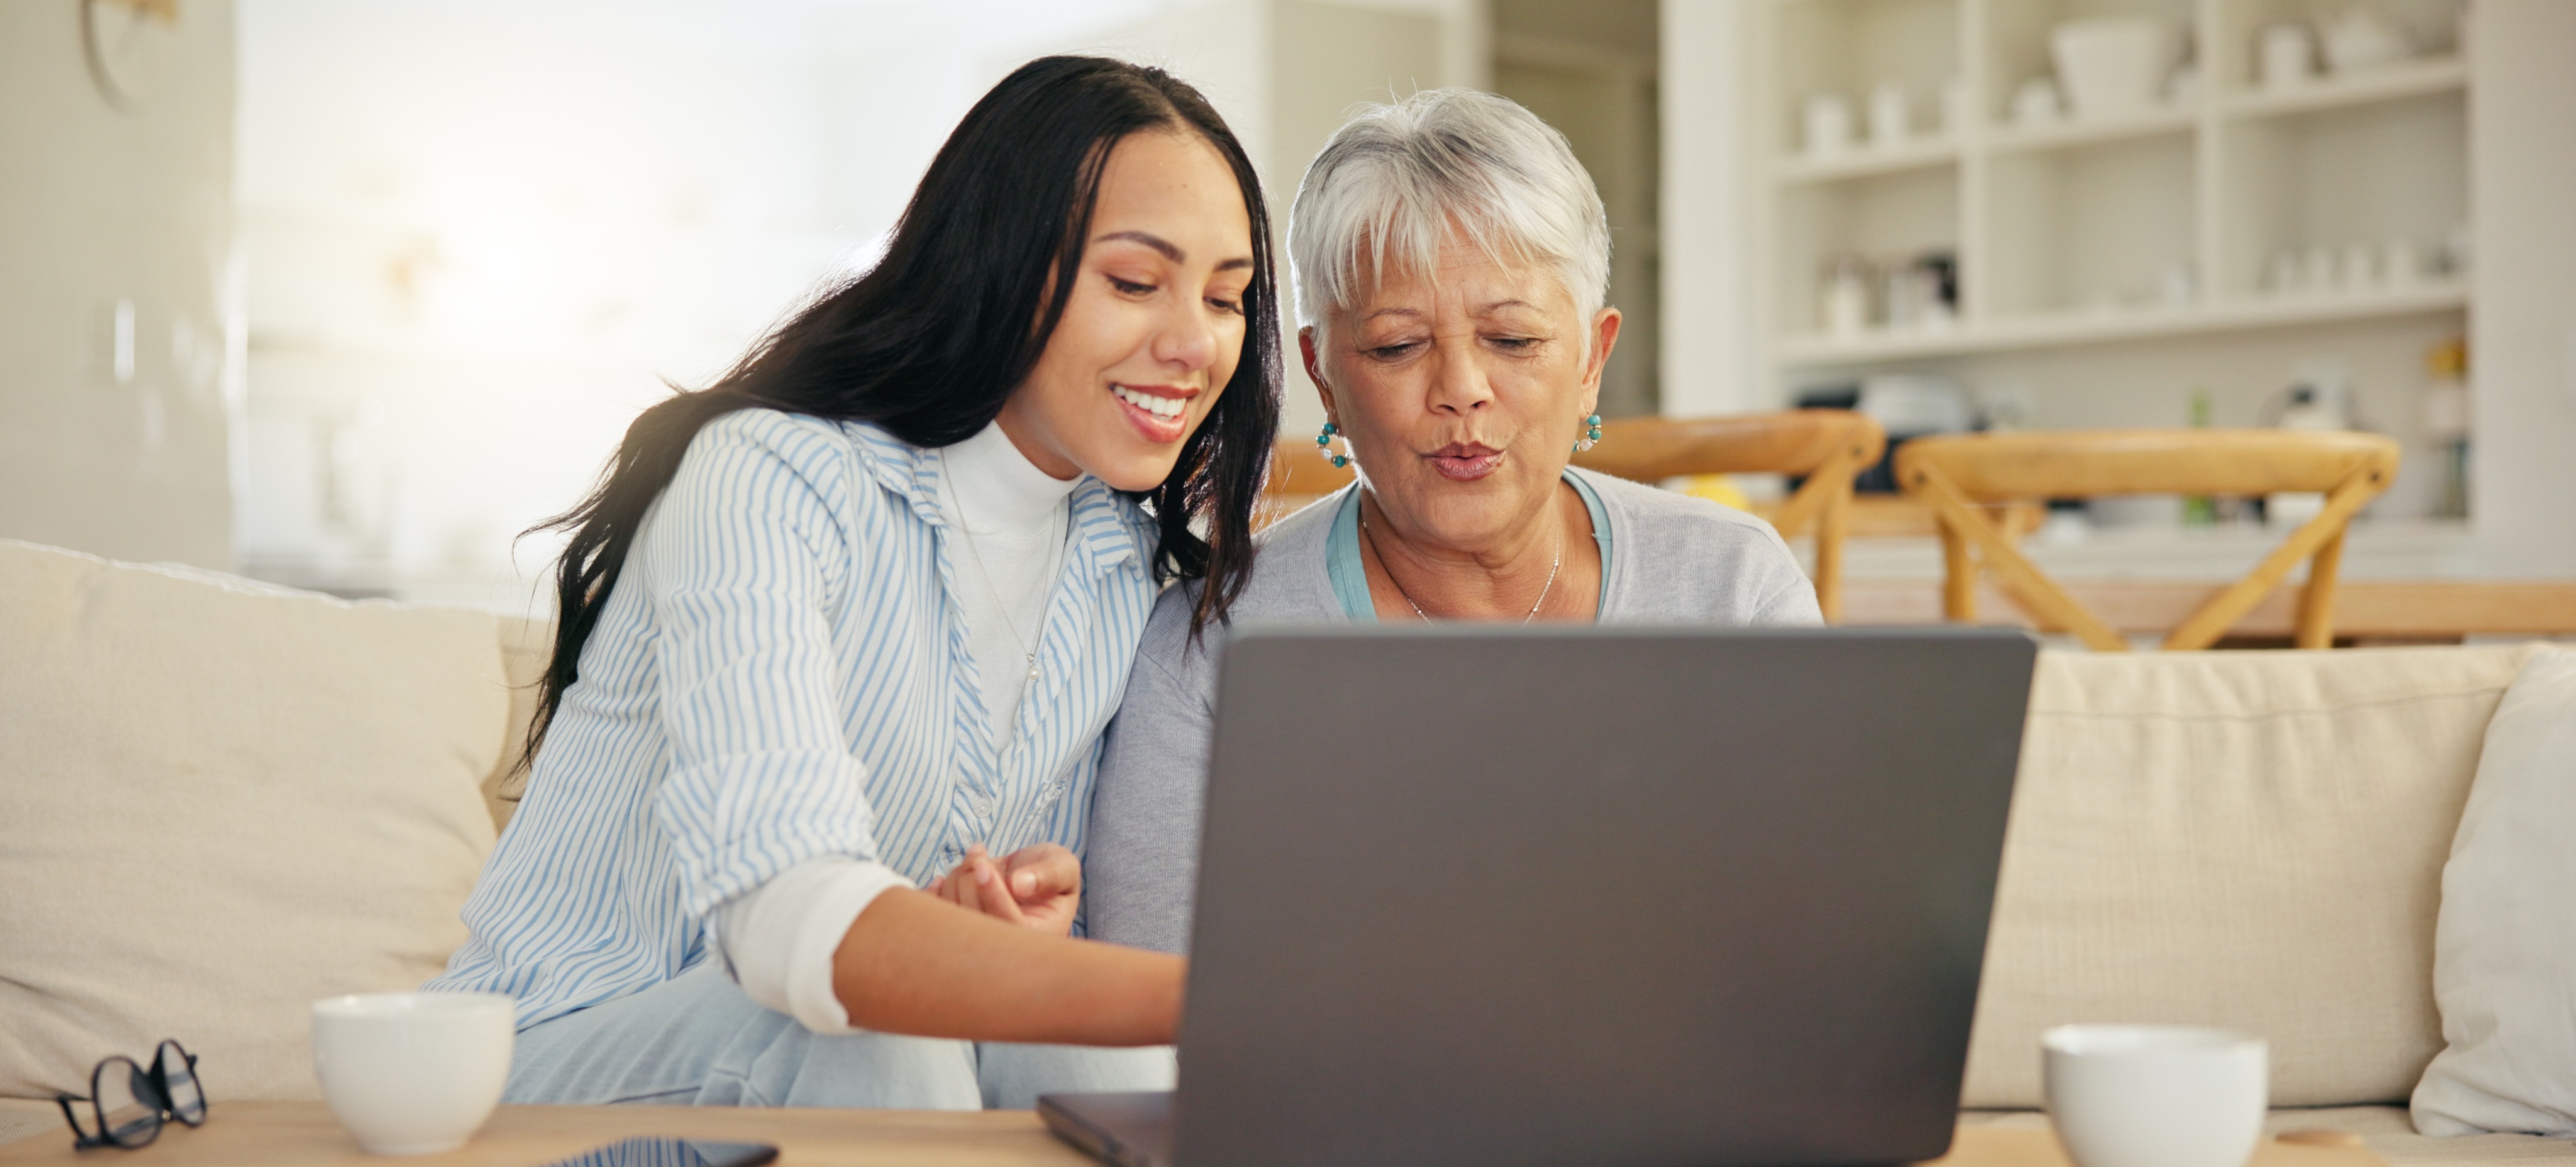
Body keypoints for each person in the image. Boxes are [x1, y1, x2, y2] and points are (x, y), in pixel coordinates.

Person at [424, 56, 1282, 1110]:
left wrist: (993, 929)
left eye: (1228, 297)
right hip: (553, 1075)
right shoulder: (773, 479)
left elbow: (973, 936)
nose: (1197, 343)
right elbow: (790, 922)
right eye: (1134, 282)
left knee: (1109, 1066)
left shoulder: (1124, 566)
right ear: (1002, 265)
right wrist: (1231, 1003)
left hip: (837, 1087)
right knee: (875, 1037)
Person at [1084, 89, 1822, 958]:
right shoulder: (1211, 645)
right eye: (1397, 346)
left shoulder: (1734, 586)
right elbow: (1147, 995)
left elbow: (1822, 935)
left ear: (1592, 360)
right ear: (1323, 377)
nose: (1461, 389)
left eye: (1513, 341)